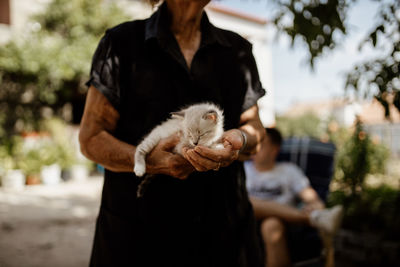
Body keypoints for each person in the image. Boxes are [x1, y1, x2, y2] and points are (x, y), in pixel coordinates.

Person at [79, 0, 267, 266]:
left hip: (224, 234)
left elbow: (255, 129)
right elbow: (90, 138)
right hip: (138, 237)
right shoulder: (120, 44)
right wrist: (146, 160)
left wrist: (240, 140)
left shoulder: (237, 50)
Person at [245, 127, 343, 267]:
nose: (256, 147)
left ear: (275, 149)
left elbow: (313, 199)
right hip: (247, 219)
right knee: (248, 203)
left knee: (271, 224)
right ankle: (313, 219)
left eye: (262, 144)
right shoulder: (243, 170)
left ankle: (315, 217)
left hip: (284, 224)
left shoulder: (289, 170)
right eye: (255, 143)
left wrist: (315, 207)